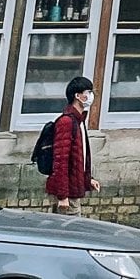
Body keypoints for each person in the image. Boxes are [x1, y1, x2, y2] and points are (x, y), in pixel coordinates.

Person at [47, 74, 100, 214]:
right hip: (68, 193)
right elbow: (60, 161)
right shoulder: (67, 122)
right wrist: (62, 195)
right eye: (88, 92)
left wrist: (88, 179)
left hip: (74, 190)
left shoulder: (79, 121)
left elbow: (78, 158)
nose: (91, 96)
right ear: (77, 95)